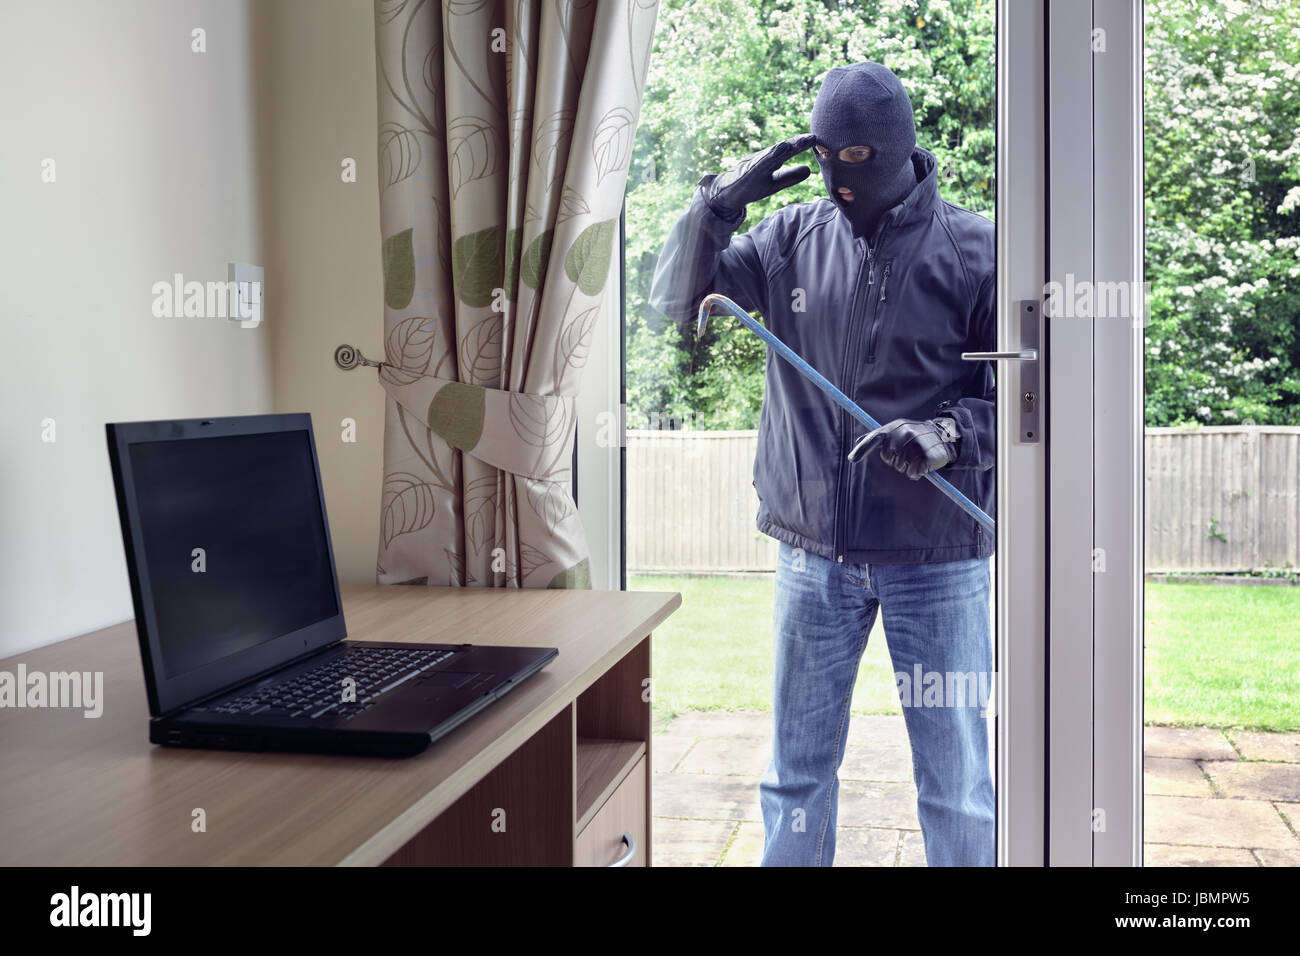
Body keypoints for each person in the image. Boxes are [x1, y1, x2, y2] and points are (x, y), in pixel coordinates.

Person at [649, 61, 996, 866]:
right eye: (828, 156)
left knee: (956, 782)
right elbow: (671, 299)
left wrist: (947, 432)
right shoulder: (785, 241)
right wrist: (718, 206)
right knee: (796, 775)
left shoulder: (976, 251)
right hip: (814, 558)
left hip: (936, 558)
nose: (841, 179)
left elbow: (1022, 401)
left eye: (859, 160)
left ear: (901, 151)